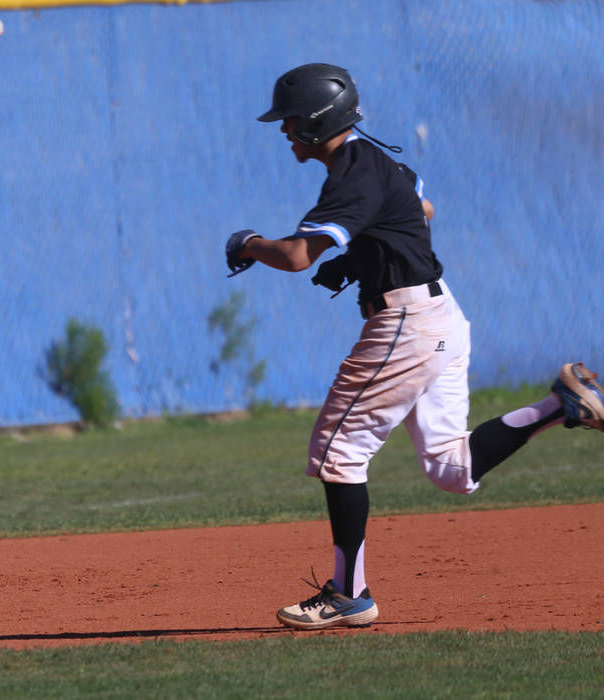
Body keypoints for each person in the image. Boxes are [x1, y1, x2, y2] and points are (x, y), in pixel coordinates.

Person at [225, 63, 604, 631]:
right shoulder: (381, 161)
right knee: (452, 467)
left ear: (315, 123)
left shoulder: (353, 173)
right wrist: (364, 255)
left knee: (338, 451)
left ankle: (349, 595)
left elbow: (297, 256)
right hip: (440, 314)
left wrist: (248, 243)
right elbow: (421, 209)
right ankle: (560, 402)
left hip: (406, 321)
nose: (284, 131)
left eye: (291, 120)